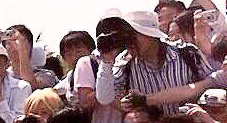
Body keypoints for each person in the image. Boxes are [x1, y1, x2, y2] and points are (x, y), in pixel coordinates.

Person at [94, 11, 227, 116]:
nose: (128, 41)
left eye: (132, 35)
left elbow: (213, 84)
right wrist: (106, 62)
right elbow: (104, 98)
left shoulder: (187, 53)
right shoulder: (125, 64)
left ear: (150, 34)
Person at [59, 30, 123, 123]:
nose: (75, 57)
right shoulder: (70, 77)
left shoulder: (106, 65)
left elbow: (86, 101)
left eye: (79, 51)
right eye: (69, 54)